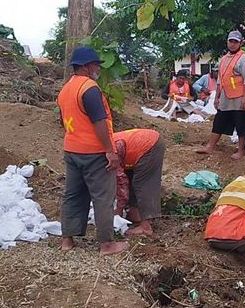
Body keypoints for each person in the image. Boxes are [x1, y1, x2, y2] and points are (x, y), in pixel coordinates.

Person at [57, 46, 129, 255]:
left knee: (73, 194)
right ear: (87, 66)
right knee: (103, 197)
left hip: (72, 150)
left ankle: (67, 241)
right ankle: (107, 244)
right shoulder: (89, 88)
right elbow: (99, 121)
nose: (98, 68)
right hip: (95, 153)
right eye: (96, 64)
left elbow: (63, 120)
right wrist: (110, 151)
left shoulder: (66, 90)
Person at [196, 30, 245, 160]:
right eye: (231, 41)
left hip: (239, 98)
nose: (232, 44)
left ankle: (241, 151)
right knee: (219, 121)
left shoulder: (244, 59)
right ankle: (210, 146)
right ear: (227, 41)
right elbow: (220, 80)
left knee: (241, 124)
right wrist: (217, 97)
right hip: (226, 97)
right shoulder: (223, 59)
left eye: (235, 42)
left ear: (240, 43)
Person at [113, 128, 165, 237]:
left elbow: (120, 182)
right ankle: (135, 214)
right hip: (138, 146)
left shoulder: (111, 152)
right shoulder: (100, 148)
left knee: (143, 184)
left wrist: (118, 211)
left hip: (149, 145)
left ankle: (146, 227)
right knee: (130, 177)